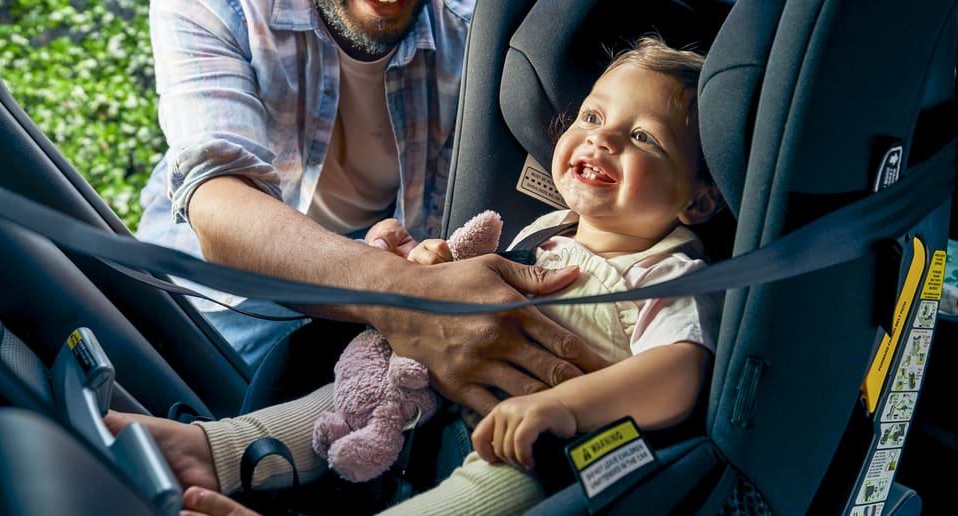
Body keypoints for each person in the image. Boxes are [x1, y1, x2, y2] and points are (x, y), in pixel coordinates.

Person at [109, 36, 726, 515]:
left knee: (490, 493)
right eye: (590, 117)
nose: (602, 139)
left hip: (535, 444)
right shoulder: (547, 231)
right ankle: (215, 450)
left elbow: (679, 373)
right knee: (352, 390)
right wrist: (430, 268)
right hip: (439, 389)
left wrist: (562, 406)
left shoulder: (669, 271)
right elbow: (465, 294)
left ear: (697, 199)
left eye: (642, 137)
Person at [135, 0, 606, 413]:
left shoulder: (479, 24)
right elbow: (220, 203)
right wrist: (404, 295)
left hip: (384, 262)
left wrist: (419, 266)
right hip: (219, 295)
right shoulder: (222, 8)